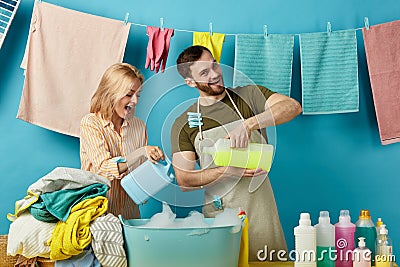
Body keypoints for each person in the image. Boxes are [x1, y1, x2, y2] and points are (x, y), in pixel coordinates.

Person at [171, 45, 302, 261]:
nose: (215, 74)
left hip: (261, 210)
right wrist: (226, 171)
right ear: (190, 82)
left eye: (214, 65)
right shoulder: (184, 123)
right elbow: (185, 180)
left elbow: (292, 107)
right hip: (220, 217)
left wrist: (248, 124)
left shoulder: (249, 96)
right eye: (204, 72)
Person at [80, 63, 164, 219]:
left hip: (130, 215)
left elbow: (139, 177)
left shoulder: (139, 127)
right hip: (98, 216)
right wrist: (141, 152)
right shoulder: (91, 123)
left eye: (138, 95)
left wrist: (156, 168)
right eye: (128, 94)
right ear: (110, 93)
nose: (135, 101)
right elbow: (103, 170)